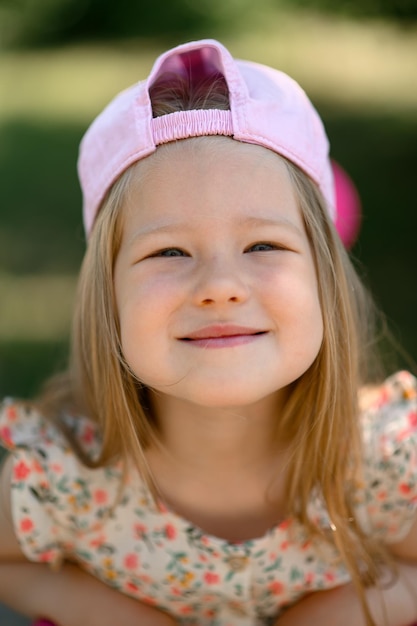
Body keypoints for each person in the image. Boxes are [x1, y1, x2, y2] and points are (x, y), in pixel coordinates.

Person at [0, 38, 416, 626]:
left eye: (263, 245)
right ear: (107, 298)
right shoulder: (68, 476)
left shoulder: (382, 464)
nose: (220, 285)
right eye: (169, 250)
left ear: (326, 278)